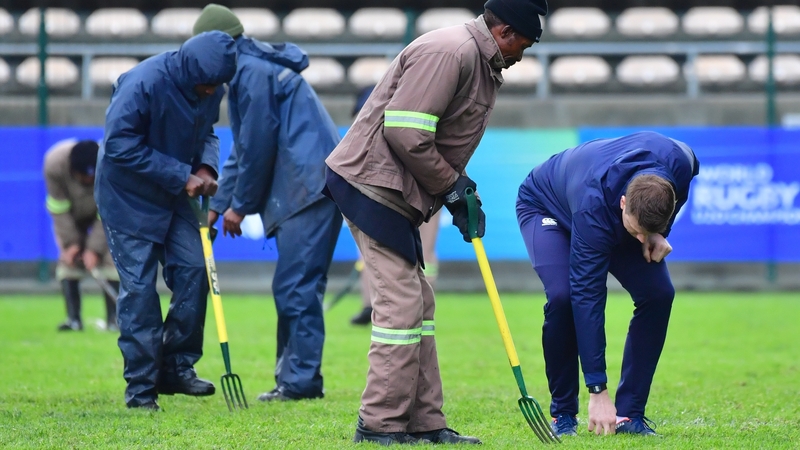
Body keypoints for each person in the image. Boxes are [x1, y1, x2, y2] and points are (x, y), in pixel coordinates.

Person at [324, 0, 547, 444]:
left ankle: (425, 423)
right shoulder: (450, 52)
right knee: (402, 307)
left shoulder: (478, 60)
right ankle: (379, 425)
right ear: (503, 31)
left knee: (420, 304)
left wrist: (459, 193)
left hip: (396, 191)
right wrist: (450, 186)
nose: (523, 56)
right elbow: (404, 131)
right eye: (523, 43)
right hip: (373, 186)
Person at [192, 4, 343, 402]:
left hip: (306, 188)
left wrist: (238, 207)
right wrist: (218, 204)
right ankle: (294, 378)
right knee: (295, 285)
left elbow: (257, 147)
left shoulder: (251, 73)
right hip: (307, 187)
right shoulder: (250, 68)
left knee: (297, 286)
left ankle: (299, 382)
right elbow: (242, 150)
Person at [515, 131, 700, 437]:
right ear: (625, 202)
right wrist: (597, 390)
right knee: (564, 296)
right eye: (636, 231)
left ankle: (630, 415)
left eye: (644, 233)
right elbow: (588, 296)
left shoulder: (680, 163)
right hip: (545, 205)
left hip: (610, 211)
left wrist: (658, 232)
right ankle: (563, 413)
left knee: (658, 293)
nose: (641, 239)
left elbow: (683, 182)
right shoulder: (594, 205)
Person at [95, 31, 237, 411]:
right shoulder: (143, 83)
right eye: (206, 86)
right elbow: (118, 146)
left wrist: (206, 165)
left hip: (176, 198)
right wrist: (181, 175)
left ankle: (175, 368)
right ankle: (141, 391)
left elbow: (206, 132)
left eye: (217, 86)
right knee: (140, 292)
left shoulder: (211, 86)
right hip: (128, 199)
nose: (211, 93)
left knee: (195, 270)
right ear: (191, 72)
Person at [44, 139, 118, 332]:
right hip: (72, 217)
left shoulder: (112, 164)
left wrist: (93, 249)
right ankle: (73, 319)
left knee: (111, 259)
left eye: (92, 176)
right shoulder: (54, 164)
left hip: (106, 216)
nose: (87, 180)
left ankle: (114, 320)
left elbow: (108, 214)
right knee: (69, 262)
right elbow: (59, 208)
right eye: (83, 176)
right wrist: (71, 245)